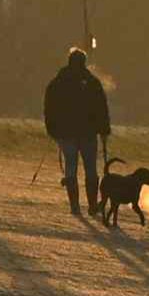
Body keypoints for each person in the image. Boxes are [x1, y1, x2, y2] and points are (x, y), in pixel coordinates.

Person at [44, 46, 111, 215]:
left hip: (66, 133)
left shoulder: (58, 82)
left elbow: (50, 108)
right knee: (91, 169)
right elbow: (101, 108)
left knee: (71, 168)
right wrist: (104, 130)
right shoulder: (92, 82)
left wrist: (52, 130)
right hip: (88, 133)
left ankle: (75, 207)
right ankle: (92, 206)